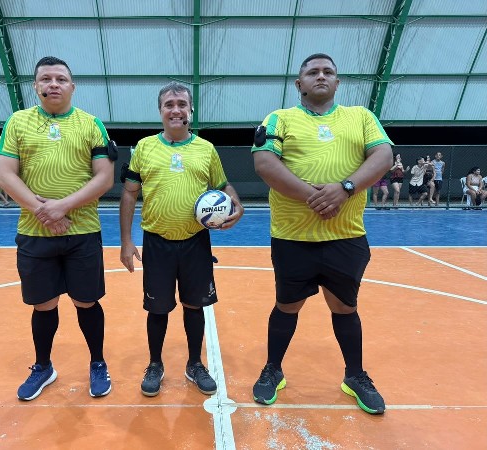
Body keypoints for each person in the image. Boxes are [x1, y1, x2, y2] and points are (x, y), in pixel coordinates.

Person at [250, 53, 392, 415]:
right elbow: (265, 163)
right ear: (299, 84)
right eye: (312, 72)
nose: (321, 76)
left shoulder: (361, 117)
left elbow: (383, 156)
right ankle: (273, 369)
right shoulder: (279, 118)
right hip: (292, 237)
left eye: (328, 71)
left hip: (346, 236)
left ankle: (354, 375)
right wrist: (315, 197)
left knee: (345, 307)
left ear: (337, 82)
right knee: (287, 305)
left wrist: (344, 189)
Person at [0, 56, 116, 401]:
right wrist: (43, 211)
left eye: (61, 79)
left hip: (82, 231)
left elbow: (105, 177)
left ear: (72, 86)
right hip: (35, 233)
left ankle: (97, 363)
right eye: (46, 79)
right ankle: (43, 366)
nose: (53, 84)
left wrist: (62, 206)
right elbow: (6, 175)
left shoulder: (91, 124)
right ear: (35, 86)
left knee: (86, 301)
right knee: (43, 305)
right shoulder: (17, 122)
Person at [119, 82, 244, 398]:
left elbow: (223, 186)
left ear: (191, 109)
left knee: (194, 305)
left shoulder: (206, 149)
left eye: (181, 104)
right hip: (157, 242)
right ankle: (155, 364)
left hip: (195, 241)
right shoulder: (144, 147)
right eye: (169, 105)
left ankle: (194, 364)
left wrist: (237, 204)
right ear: (160, 110)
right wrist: (126, 241)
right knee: (157, 308)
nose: (175, 110)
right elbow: (130, 194)